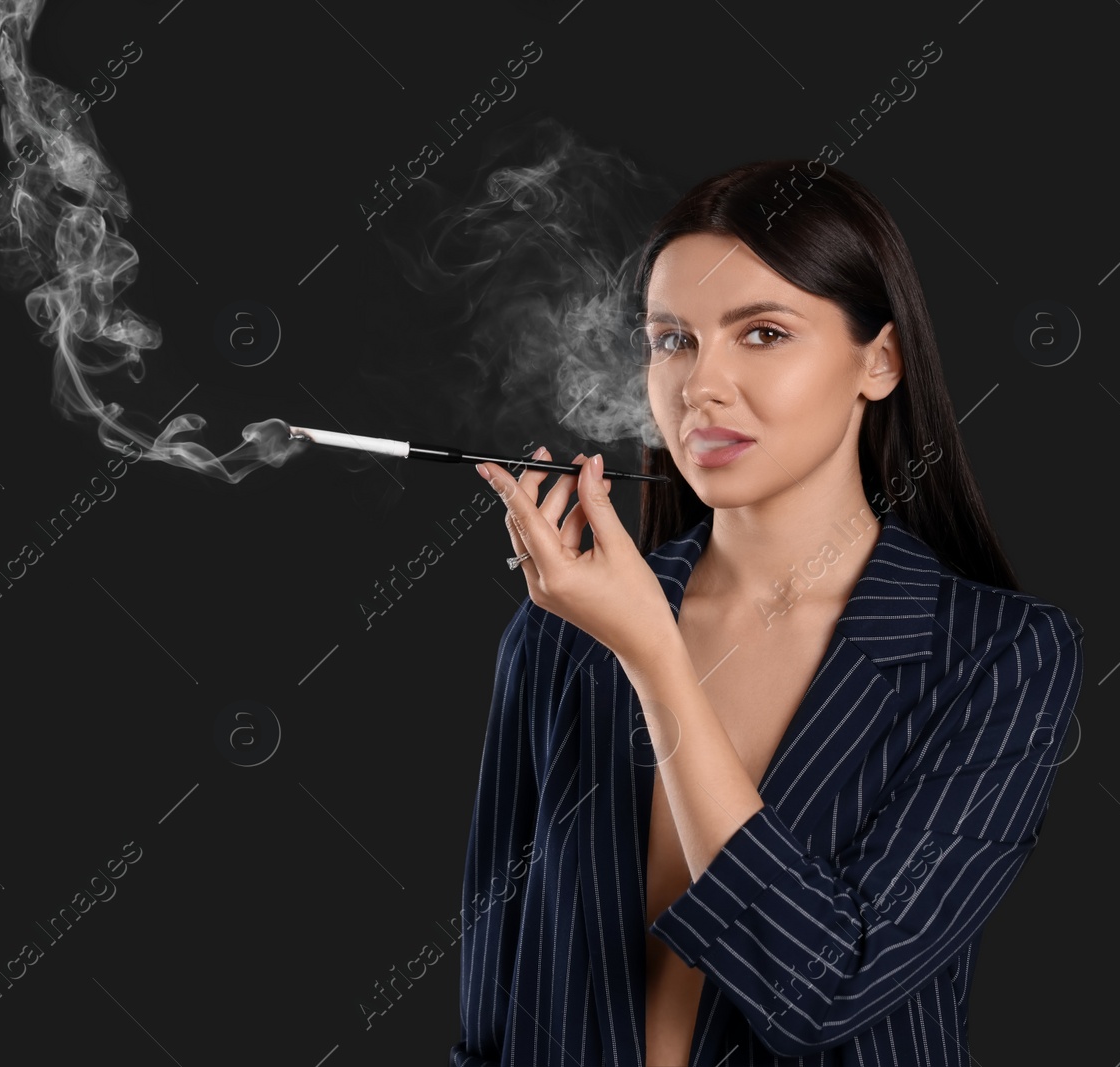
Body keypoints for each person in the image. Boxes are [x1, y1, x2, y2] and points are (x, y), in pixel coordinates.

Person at [452, 160, 1085, 1066]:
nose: (701, 386)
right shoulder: (562, 629)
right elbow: (493, 988)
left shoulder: (999, 655)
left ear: (880, 360)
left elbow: (832, 986)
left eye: (762, 333)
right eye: (672, 340)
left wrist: (658, 662)